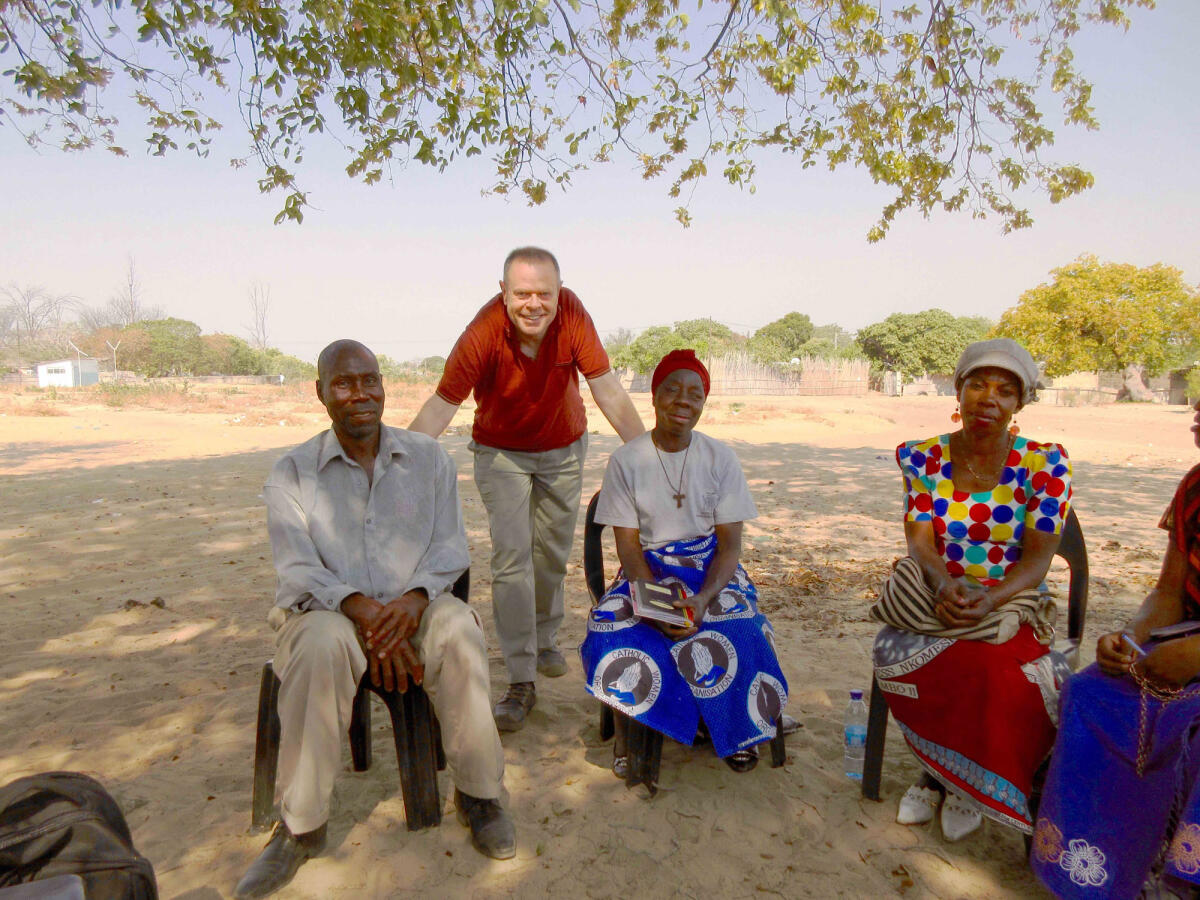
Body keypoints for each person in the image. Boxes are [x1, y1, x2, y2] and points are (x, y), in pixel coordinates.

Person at [234, 340, 513, 900]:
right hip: (328, 614)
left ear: (384, 387)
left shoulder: (428, 459)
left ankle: (479, 796)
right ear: (320, 393)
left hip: (415, 607)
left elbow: (450, 549)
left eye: (369, 381)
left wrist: (413, 601)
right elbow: (298, 570)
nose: (359, 394)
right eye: (343, 383)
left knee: (459, 629)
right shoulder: (292, 474)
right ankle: (300, 827)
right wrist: (362, 611)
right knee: (319, 646)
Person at [409, 247, 644, 732]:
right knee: (513, 559)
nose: (533, 304)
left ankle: (544, 637)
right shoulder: (482, 332)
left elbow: (607, 388)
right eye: (521, 294)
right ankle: (520, 677)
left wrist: (649, 457)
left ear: (559, 292)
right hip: (501, 454)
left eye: (544, 293)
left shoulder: (573, 314)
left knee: (552, 554)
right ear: (503, 293)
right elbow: (442, 404)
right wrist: (396, 463)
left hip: (564, 446)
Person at [870, 338, 1074, 842]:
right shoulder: (923, 457)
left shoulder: (1045, 464)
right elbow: (920, 543)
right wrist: (944, 585)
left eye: (1005, 390)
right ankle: (937, 772)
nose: (989, 398)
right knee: (899, 649)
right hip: (937, 588)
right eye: (978, 384)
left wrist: (990, 598)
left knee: (990, 668)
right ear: (958, 390)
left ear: (1020, 402)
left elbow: (1038, 561)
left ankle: (962, 781)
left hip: (1011, 595)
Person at [580, 349, 788, 775]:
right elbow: (628, 549)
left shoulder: (720, 458)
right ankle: (630, 734)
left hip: (711, 571)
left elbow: (729, 547)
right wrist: (656, 606)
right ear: (655, 396)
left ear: (703, 403)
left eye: (695, 394)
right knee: (609, 626)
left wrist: (704, 598)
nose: (683, 401)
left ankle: (737, 729)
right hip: (648, 570)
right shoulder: (626, 461)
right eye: (672, 390)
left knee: (741, 626)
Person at [1031, 400, 1200, 900]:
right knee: (1089, 694)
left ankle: (1180, 875)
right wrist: (1131, 637)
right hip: (1185, 637)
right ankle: (1099, 875)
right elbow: (1168, 593)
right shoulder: (1195, 487)